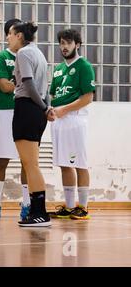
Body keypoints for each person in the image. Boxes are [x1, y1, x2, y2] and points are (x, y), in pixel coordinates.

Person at [9, 21, 54, 227]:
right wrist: (46, 107)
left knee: (31, 165)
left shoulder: (24, 53)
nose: (8, 38)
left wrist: (44, 107)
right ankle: (37, 212)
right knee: (31, 164)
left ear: (19, 35)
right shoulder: (39, 53)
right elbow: (45, 86)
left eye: (10, 34)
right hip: (36, 110)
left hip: (27, 108)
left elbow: (29, 84)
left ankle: (40, 213)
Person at [47, 29, 95, 220]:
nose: (64, 47)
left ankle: (82, 207)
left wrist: (65, 109)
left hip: (75, 120)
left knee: (79, 163)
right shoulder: (58, 69)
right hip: (59, 121)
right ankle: (68, 207)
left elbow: (88, 97)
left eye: (68, 43)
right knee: (64, 164)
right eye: (61, 43)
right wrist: (51, 110)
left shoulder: (83, 66)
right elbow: (54, 95)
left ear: (77, 44)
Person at [0, 18, 31, 221]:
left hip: (25, 111)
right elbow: (4, 86)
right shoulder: (1, 57)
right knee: (1, 160)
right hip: (5, 112)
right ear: (10, 34)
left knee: (27, 161)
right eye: (14, 32)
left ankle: (27, 204)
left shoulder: (30, 56)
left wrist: (18, 84)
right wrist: (24, 84)